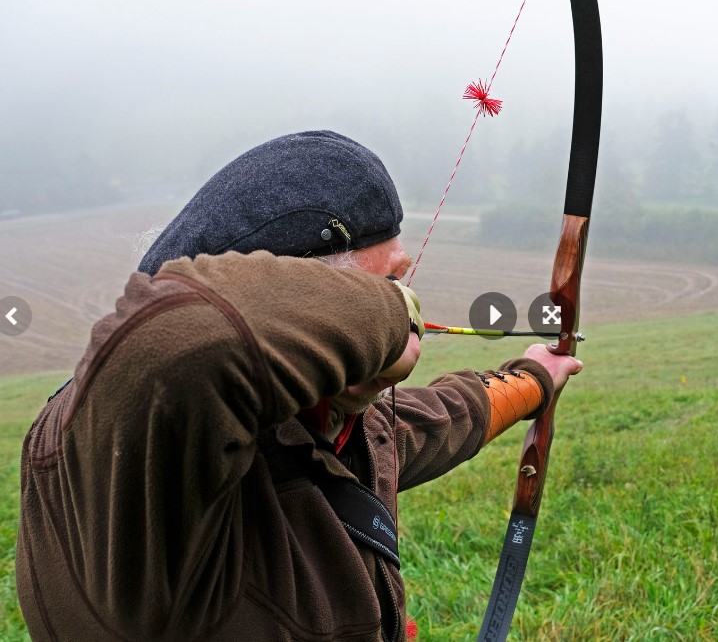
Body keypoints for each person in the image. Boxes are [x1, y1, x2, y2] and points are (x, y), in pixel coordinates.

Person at [16, 131, 582, 641]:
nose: (405, 306)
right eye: (384, 288)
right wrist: (388, 319)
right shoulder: (124, 453)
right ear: (299, 306)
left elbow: (428, 421)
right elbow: (178, 341)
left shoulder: (321, 421)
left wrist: (534, 378)